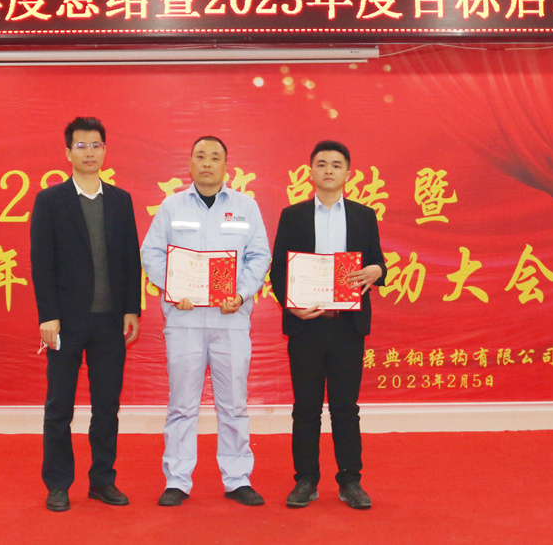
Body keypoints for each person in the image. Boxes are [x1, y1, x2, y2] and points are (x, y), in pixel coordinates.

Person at [141, 136, 272, 507]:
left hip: (231, 319)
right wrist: (174, 287)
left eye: (215, 157)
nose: (208, 163)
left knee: (233, 404)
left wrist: (241, 294)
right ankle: (177, 480)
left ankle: (237, 478)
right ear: (190, 163)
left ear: (226, 166)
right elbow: (151, 253)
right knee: (182, 404)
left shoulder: (246, 207)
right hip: (184, 318)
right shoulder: (171, 206)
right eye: (201, 156)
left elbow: (260, 256)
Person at [30, 116, 141, 513]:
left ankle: (102, 480)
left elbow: (130, 259)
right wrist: (48, 316)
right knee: (59, 406)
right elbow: (41, 263)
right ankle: (58, 484)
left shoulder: (121, 200)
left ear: (105, 151)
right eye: (81, 146)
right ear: (68, 153)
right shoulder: (50, 200)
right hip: (66, 322)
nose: (89, 152)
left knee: (106, 406)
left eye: (96, 145)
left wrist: (131, 309)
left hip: (110, 322)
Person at [268, 140, 387, 510]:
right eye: (322, 164)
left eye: (337, 164)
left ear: (348, 172)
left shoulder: (364, 215)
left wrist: (375, 270)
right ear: (311, 172)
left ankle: (351, 480)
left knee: (345, 407)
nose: (329, 170)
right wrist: (293, 307)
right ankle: (305, 480)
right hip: (306, 325)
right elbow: (279, 270)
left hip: (347, 326)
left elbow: (378, 264)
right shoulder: (294, 215)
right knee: (305, 407)